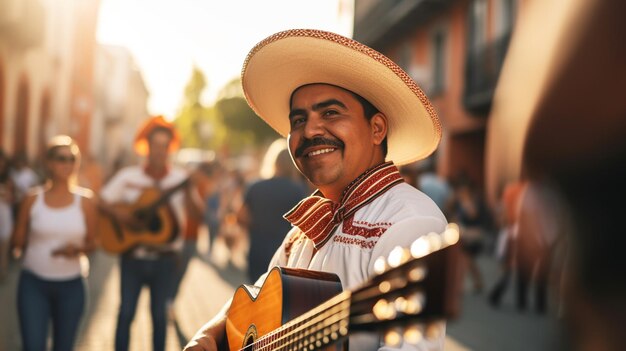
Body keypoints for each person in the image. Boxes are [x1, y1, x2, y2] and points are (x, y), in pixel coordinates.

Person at [184, 29, 449, 351]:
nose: (309, 130)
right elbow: (259, 298)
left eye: (331, 113)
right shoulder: (307, 224)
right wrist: (210, 334)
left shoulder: (411, 222)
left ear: (377, 129)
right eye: (298, 120)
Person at [99, 116, 203, 351]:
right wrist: (121, 216)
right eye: (155, 145)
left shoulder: (180, 179)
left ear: (170, 148)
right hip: (132, 257)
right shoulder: (128, 177)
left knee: (159, 318)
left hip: (166, 260)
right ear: (146, 146)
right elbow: (102, 201)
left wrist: (189, 190)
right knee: (125, 314)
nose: (160, 151)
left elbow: (197, 214)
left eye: (164, 146)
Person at [11, 135, 97, 351]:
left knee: (64, 347)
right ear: (49, 162)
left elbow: (93, 242)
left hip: (72, 285)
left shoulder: (85, 201)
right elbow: (17, 242)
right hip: (33, 283)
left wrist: (77, 249)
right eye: (61, 158)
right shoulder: (32, 199)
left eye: (72, 159)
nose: (67, 164)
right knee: (33, 346)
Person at [236, 139, 307, 283]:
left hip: (257, 248)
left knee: (255, 292)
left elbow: (240, 217)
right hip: (285, 254)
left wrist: (256, 225)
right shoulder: (299, 191)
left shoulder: (255, 186)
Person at [0, 149, 15, 281]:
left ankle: (2, 272)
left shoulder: (8, 179)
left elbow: (12, 198)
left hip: (4, 214)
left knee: (4, 245)